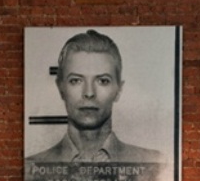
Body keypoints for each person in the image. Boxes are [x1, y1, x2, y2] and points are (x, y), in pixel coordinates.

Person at [26, 29, 163, 163]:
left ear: (119, 90)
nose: (89, 93)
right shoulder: (33, 167)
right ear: (60, 88)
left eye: (103, 81)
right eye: (76, 80)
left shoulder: (153, 163)